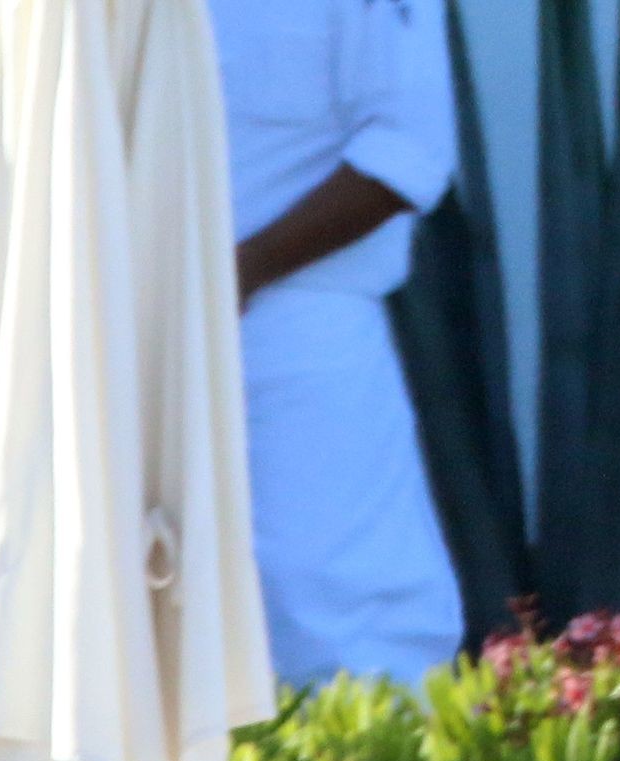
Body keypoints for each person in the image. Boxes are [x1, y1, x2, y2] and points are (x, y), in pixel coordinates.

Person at [206, 0, 464, 690]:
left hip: (295, 332)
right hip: (115, 329)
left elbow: (408, 150)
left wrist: (242, 269)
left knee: (331, 606)